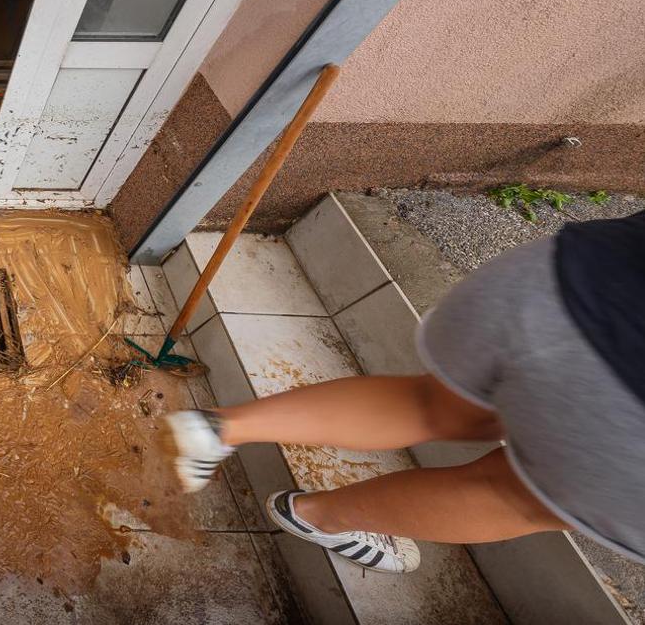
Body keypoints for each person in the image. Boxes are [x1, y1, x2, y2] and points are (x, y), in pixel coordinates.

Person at [163, 209, 645, 573]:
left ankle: (221, 427)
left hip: (571, 275)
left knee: (429, 405)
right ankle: (318, 515)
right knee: (514, 497)